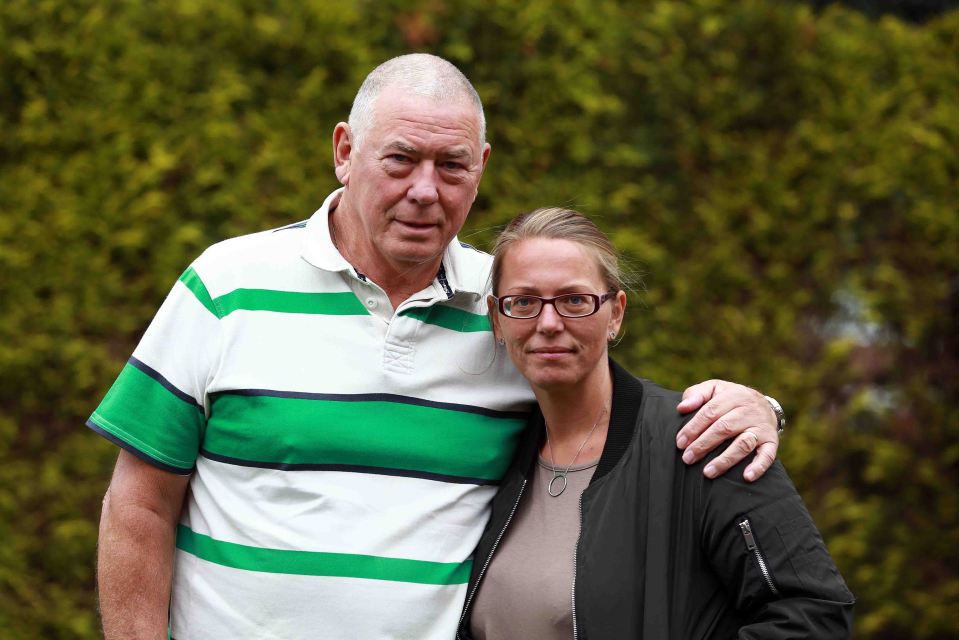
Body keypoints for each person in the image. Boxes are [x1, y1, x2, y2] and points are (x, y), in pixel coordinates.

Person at [89, 54, 784, 639]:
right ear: (343, 152)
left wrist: (756, 406)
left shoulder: (507, 305)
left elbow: (618, 420)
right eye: (400, 159)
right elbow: (139, 505)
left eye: (451, 166)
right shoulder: (226, 286)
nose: (425, 191)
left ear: (480, 166)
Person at [457, 207, 855, 639]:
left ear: (615, 314)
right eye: (525, 302)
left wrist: (768, 409)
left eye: (574, 299)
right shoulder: (491, 449)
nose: (549, 323)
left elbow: (815, 614)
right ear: (497, 319)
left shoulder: (701, 440)